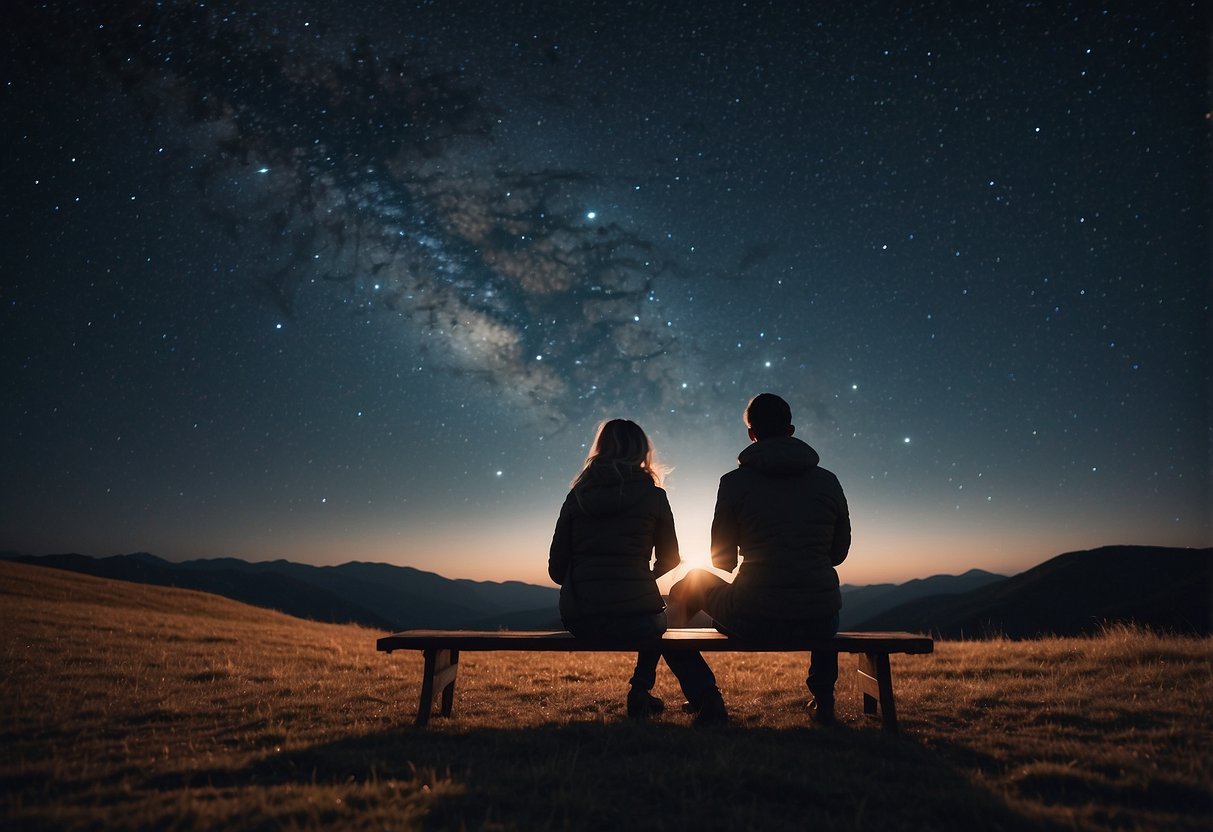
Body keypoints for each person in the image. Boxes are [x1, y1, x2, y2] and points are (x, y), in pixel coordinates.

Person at [668, 393, 851, 724]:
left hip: (754, 616)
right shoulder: (828, 481)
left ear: (751, 433)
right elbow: (837, 554)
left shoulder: (734, 482)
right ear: (791, 430)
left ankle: (705, 696)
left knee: (684, 589)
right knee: (819, 599)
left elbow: (721, 559)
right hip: (821, 619)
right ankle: (823, 699)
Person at [548, 419, 725, 724]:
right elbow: (671, 559)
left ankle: (643, 694)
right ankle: (657, 692)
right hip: (638, 616)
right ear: (642, 451)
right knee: (658, 623)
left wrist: (587, 581)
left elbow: (555, 569)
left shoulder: (576, 498)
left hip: (582, 618)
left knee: (652, 622)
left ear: (600, 450)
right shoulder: (654, 497)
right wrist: (639, 580)